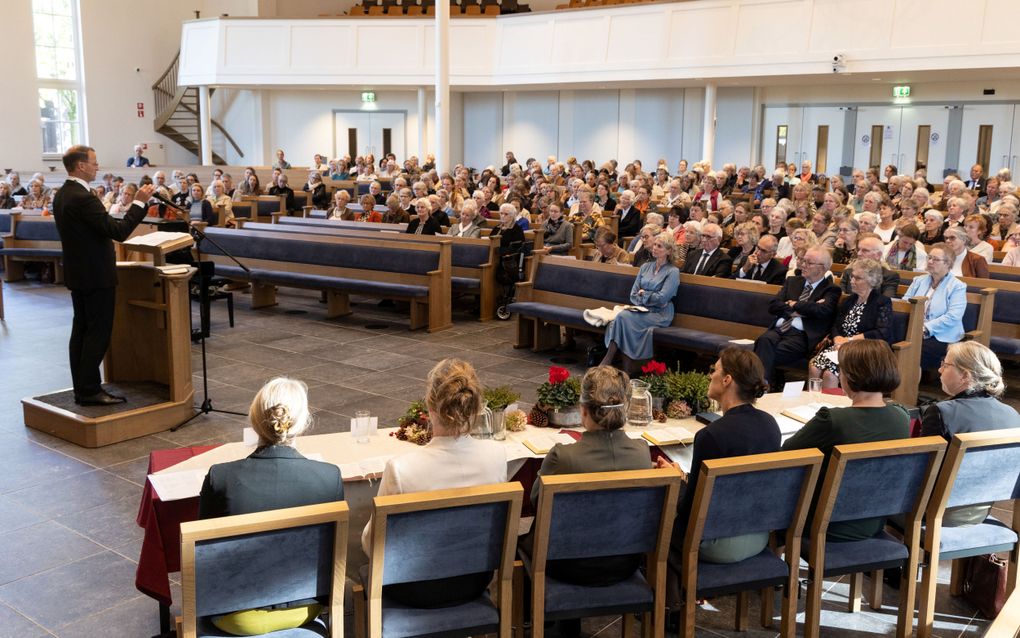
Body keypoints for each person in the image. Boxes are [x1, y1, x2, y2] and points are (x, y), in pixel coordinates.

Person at [198, 377, 343, 635]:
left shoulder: (221, 478)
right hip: (305, 610)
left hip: (234, 618)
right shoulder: (329, 477)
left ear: (255, 419)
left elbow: (203, 558)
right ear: (302, 422)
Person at [361, 359, 507, 607]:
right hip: (474, 580)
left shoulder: (401, 468)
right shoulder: (497, 456)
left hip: (413, 587)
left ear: (430, 408)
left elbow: (372, 543)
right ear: (474, 409)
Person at [52, 145, 154, 406]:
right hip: (95, 275)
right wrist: (140, 202)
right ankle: (89, 391)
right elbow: (118, 231)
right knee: (97, 332)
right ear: (81, 166)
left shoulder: (64, 193)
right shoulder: (82, 197)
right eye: (94, 162)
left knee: (82, 331)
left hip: (79, 273)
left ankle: (83, 387)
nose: (98, 166)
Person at [530, 366, 651, 578]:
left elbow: (536, 502)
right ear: (626, 407)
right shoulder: (642, 453)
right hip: (626, 562)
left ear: (583, 410)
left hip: (568, 564)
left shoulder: (562, 457)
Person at [783, 339, 910, 542]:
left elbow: (785, 454)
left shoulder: (834, 420)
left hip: (824, 523)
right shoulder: (902, 417)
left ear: (849, 376)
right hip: (873, 520)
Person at [662, 348, 780, 564]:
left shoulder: (711, 435)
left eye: (714, 370)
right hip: (758, 535)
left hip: (713, 543)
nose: (710, 375)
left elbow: (690, 509)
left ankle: (668, 593)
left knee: (652, 517)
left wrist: (678, 480)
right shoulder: (770, 425)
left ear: (727, 380)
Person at [921, 341, 1020, 525]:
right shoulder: (1013, 415)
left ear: (965, 376)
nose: (940, 370)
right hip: (983, 513)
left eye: (946, 364)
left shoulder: (942, 412)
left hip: (937, 514)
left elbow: (921, 473)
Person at [754, 246, 841, 387]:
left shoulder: (831, 289)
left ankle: (762, 386)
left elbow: (822, 311)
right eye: (803, 261)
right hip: (779, 329)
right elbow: (773, 305)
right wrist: (798, 310)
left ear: (823, 268)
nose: (803, 265)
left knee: (761, 351)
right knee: (764, 339)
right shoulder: (793, 281)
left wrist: (794, 304)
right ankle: (765, 386)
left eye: (809, 263)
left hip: (801, 336)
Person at [601, 231, 680, 373]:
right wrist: (649, 297)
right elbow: (633, 295)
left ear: (669, 251)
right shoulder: (645, 267)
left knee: (623, 317)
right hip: (641, 310)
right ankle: (627, 367)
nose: (655, 248)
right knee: (622, 319)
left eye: (660, 246)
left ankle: (609, 360)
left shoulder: (672, 272)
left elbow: (663, 298)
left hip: (660, 314)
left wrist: (644, 295)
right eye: (655, 244)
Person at [810, 259, 893, 388]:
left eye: (858, 278)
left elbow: (882, 332)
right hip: (842, 347)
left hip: (865, 350)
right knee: (814, 366)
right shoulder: (849, 300)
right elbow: (836, 325)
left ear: (871, 281)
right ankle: (814, 403)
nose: (852, 281)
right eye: (852, 277)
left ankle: (831, 407)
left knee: (829, 374)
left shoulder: (882, 302)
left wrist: (848, 340)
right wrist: (837, 339)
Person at [902, 243, 967, 370]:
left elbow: (953, 316)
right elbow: (905, 303)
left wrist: (925, 328)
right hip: (913, 329)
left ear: (948, 264)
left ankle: (907, 385)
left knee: (914, 350)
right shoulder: (918, 280)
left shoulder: (957, 286)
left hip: (942, 335)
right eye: (929, 258)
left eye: (935, 259)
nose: (930, 261)